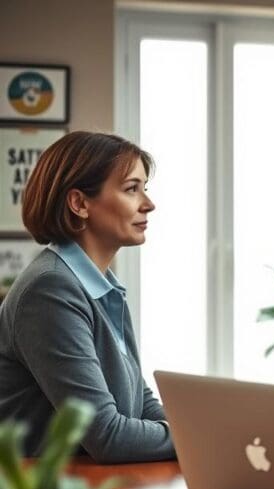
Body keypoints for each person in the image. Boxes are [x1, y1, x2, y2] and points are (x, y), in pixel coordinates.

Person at [0, 131, 174, 463]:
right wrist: (196, 439)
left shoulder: (100, 285)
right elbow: (107, 436)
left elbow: (139, 401)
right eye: (131, 189)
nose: (148, 204)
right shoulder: (50, 290)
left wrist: (199, 429)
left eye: (144, 189)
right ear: (80, 203)